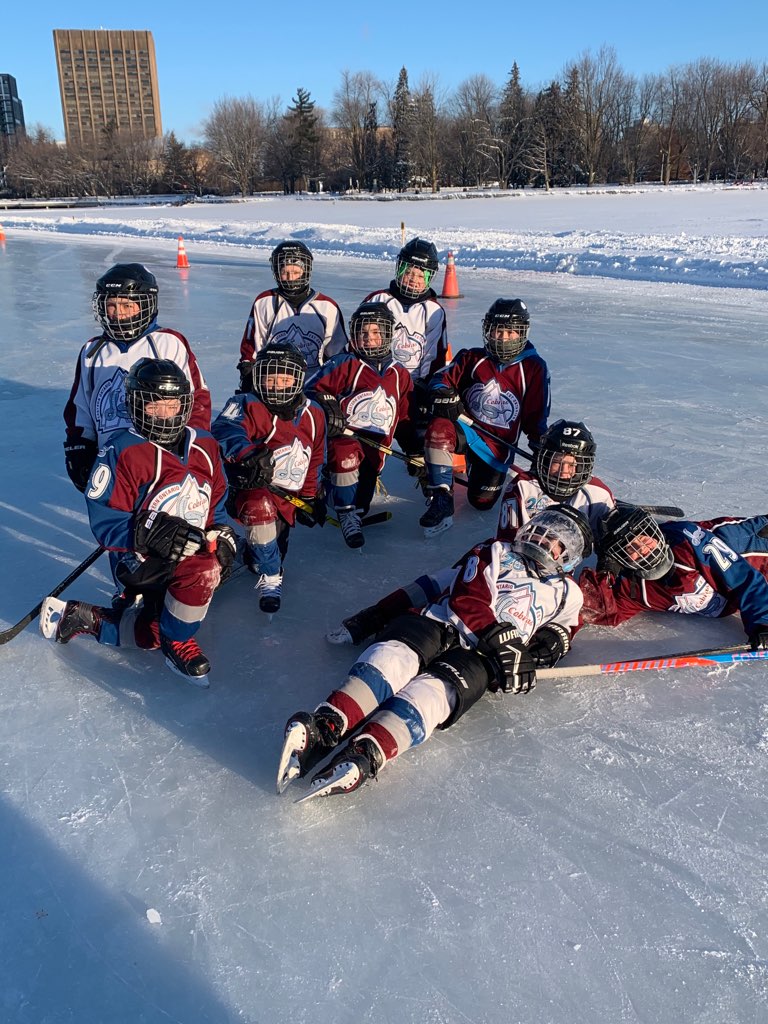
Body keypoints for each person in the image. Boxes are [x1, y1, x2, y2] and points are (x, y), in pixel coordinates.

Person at [277, 505, 593, 800]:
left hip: (481, 659)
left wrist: (539, 653)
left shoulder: (569, 594)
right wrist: (502, 640)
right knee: (392, 659)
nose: (543, 539)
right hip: (440, 623)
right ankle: (328, 723)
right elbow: (468, 598)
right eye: (542, 529)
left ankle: (368, 752)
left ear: (569, 557)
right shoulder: (497, 550)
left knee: (432, 696)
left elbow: (564, 629)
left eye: (556, 541)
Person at [326, 418, 615, 647]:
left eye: (571, 464)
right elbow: (510, 546)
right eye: (556, 460)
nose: (563, 470)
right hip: (514, 563)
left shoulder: (599, 496)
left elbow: (611, 549)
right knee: (446, 580)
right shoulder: (525, 487)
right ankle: (376, 616)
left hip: (554, 580)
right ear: (543, 458)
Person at [41, 359, 235, 684]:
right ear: (136, 405)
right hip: (137, 559)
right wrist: (147, 532)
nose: (165, 413)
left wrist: (224, 533)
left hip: (189, 549)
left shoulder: (205, 445)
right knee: (201, 573)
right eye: (155, 405)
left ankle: (85, 619)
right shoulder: (121, 450)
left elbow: (215, 503)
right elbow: (105, 522)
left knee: (153, 632)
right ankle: (178, 642)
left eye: (172, 404)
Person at [63, 263, 211, 494]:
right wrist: (79, 448)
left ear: (145, 305)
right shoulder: (92, 351)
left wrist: (193, 444)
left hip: (161, 459)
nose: (118, 313)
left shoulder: (168, 342)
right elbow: (80, 407)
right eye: (111, 305)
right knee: (116, 524)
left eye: (126, 305)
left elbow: (196, 399)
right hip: (110, 460)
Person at [418, 298, 550, 536]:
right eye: (498, 332)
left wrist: (540, 449)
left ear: (522, 333)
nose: (503, 338)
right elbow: (440, 379)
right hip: (465, 429)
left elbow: (535, 416)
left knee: (481, 502)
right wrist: (443, 394)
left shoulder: (533, 368)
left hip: (495, 448)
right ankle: (441, 495)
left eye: (510, 332)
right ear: (488, 330)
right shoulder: (472, 358)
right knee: (439, 427)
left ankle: (473, 467)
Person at [212, 342, 326, 614]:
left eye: (284, 379)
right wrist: (247, 453)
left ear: (298, 380)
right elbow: (225, 428)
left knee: (263, 553)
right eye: (270, 378)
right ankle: (272, 578)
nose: (276, 386)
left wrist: (311, 494)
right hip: (250, 491)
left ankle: (251, 553)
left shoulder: (314, 413)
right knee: (259, 513)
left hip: (287, 498)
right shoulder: (245, 403)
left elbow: (315, 458)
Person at [579, 506, 768, 649]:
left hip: (754, 542)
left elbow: (745, 580)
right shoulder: (637, 589)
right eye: (630, 548)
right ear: (622, 560)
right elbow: (596, 607)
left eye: (644, 536)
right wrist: (605, 574)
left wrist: (762, 624)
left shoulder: (687, 542)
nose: (642, 547)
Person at [306, 302, 413, 548]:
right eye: (364, 333)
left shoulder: (399, 374)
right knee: (345, 460)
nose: (370, 338)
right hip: (343, 440)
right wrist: (328, 405)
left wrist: (414, 451)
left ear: (388, 334)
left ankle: (335, 494)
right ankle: (344, 510)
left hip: (375, 450)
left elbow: (405, 417)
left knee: (361, 504)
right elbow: (310, 392)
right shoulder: (345, 363)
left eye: (376, 332)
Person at [237, 240, 347, 387]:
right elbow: (252, 345)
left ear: (305, 271)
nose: (290, 277)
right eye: (285, 272)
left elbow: (337, 353)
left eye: (296, 272)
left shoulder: (327, 306)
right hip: (274, 384)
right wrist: (249, 372)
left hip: (314, 385)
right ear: (277, 272)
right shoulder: (265, 302)